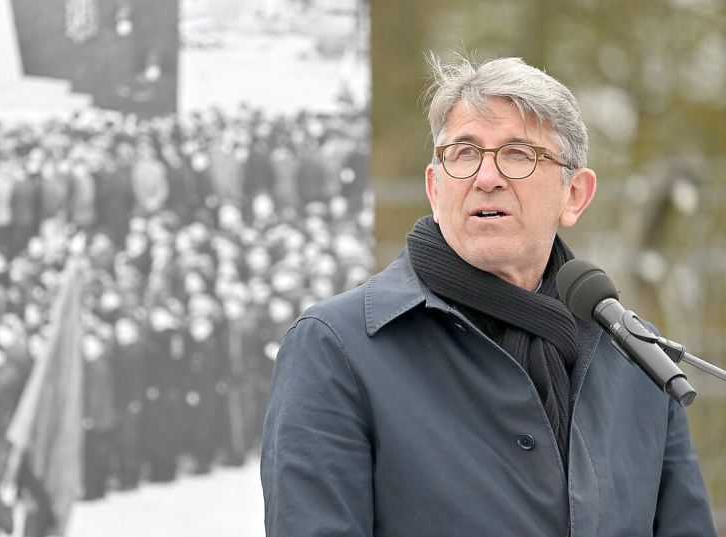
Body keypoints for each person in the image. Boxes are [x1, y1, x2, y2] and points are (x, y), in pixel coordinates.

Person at [260, 56, 716, 536]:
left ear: (575, 195)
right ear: (435, 189)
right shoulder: (337, 348)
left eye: (518, 154)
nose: (486, 177)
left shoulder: (637, 359)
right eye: (464, 153)